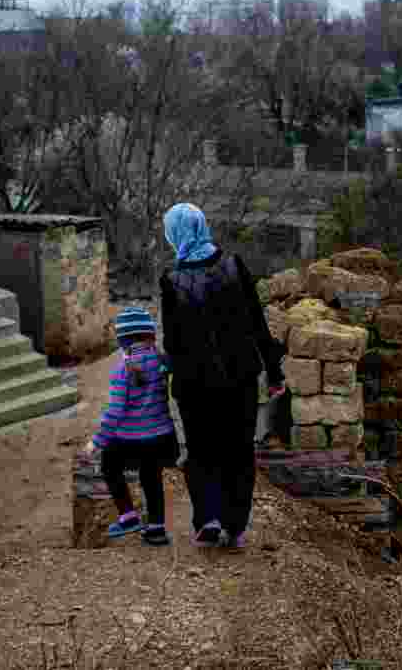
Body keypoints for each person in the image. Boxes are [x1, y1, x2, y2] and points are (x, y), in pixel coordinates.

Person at [159, 203, 287, 549]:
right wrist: (274, 372)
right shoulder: (233, 265)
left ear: (174, 234)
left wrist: (164, 379)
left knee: (201, 450)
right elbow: (258, 324)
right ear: (202, 227)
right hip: (240, 378)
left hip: (194, 385)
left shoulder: (171, 279)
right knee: (238, 450)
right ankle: (234, 523)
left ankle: (208, 518)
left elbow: (172, 341)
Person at [87, 306, 179, 546]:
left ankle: (128, 516)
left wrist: (97, 440)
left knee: (109, 464)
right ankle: (157, 530)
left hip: (129, 439)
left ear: (121, 340)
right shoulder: (162, 361)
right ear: (151, 334)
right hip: (161, 437)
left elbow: (115, 412)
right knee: (151, 478)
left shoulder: (121, 371)